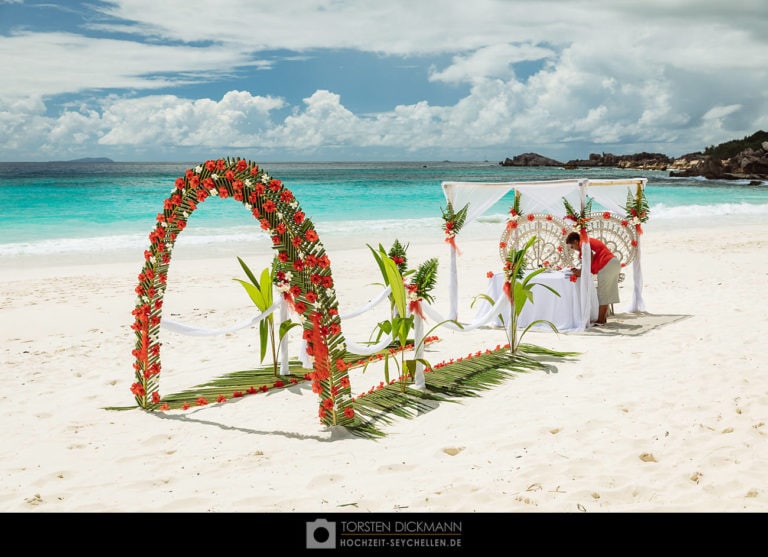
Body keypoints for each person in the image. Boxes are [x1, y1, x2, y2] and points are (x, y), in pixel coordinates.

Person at [566, 231, 620, 325]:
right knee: (606, 293)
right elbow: (588, 261)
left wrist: (581, 272)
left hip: (607, 264)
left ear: (575, 241)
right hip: (612, 263)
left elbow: (589, 258)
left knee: (603, 293)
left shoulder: (584, 243)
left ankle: (600, 320)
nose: (572, 248)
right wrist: (581, 271)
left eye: (572, 246)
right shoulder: (585, 242)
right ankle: (602, 319)